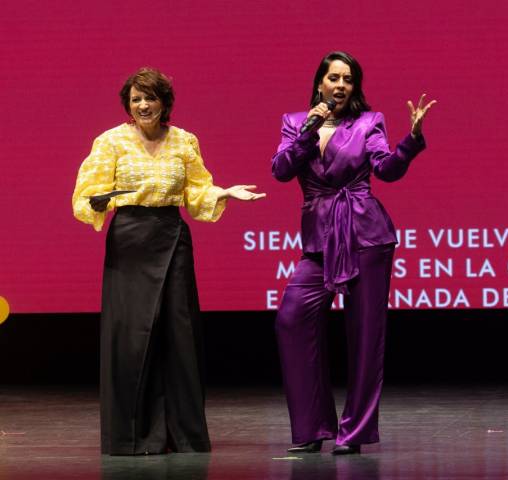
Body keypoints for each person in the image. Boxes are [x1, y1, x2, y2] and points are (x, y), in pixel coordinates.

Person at [72, 67, 265, 455]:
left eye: (150, 98)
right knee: (130, 337)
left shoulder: (184, 141)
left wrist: (223, 193)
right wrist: (98, 201)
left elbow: (197, 193)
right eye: (136, 100)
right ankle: (130, 436)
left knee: (179, 335)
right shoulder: (110, 142)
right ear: (129, 105)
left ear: (164, 103)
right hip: (129, 240)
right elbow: (85, 195)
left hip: (172, 238)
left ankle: (182, 433)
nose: (143, 105)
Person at [272, 51, 436, 455]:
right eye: (334, 77)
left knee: (364, 337)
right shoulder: (296, 123)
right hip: (319, 240)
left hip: (365, 235)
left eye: (348, 79)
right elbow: (280, 169)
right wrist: (310, 129)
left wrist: (411, 141)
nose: (341, 85)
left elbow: (386, 169)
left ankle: (354, 432)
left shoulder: (368, 122)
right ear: (319, 84)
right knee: (292, 318)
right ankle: (312, 428)